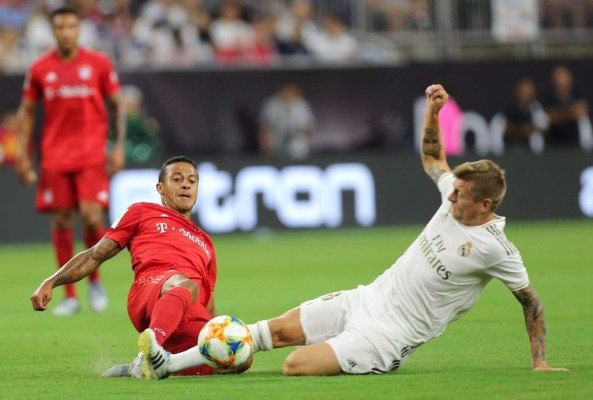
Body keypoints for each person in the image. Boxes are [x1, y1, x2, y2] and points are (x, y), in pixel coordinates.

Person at [128, 84, 567, 379]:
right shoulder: (453, 191)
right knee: (268, 332)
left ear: (485, 205)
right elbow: (434, 158)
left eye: (461, 196)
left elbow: (531, 302)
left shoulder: (497, 249)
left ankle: (350, 355)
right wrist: (434, 112)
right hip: (365, 298)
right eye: (453, 191)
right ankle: (164, 364)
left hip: (388, 337)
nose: (451, 197)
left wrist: (540, 362)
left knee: (294, 366)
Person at [31, 156, 252, 379]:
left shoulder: (205, 242)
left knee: (241, 359)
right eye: (177, 179)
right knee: (185, 283)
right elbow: (95, 255)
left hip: (189, 313)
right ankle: (148, 352)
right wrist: (51, 281)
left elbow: (209, 305)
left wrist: (222, 335)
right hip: (151, 291)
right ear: (161, 188)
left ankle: (151, 366)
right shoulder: (142, 212)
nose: (186, 184)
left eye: (192, 181)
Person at [16, 6, 126, 316]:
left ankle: (95, 281)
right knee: (62, 221)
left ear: (80, 30)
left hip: (91, 154)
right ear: (53, 31)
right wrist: (24, 154)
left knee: (92, 218)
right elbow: (26, 113)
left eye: (71, 26)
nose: (66, 32)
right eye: (60, 27)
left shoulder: (99, 64)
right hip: (55, 155)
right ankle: (70, 296)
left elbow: (118, 106)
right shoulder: (40, 68)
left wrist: (118, 147)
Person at [258, 83, 315, 160]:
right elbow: (264, 128)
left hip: (298, 149)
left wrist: (301, 128)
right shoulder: (272, 103)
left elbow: (309, 127)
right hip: (276, 149)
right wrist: (265, 147)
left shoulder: (302, 104)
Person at [543, 65, 591, 150]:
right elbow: (549, 118)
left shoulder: (577, 97)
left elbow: (583, 110)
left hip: (575, 148)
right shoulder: (549, 99)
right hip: (553, 148)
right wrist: (570, 113)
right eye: (559, 81)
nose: (562, 84)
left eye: (565, 81)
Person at [502, 77, 548, 153]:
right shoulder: (511, 109)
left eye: (529, 89)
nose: (527, 92)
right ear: (518, 91)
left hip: (535, 150)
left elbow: (543, 126)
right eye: (524, 89)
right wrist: (522, 130)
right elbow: (506, 130)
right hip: (515, 147)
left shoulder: (536, 108)